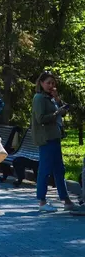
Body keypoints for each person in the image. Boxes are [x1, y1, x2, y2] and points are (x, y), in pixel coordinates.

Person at [31, 71, 79, 212]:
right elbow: (41, 118)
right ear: (41, 83)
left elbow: (66, 110)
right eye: (48, 83)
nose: (51, 86)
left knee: (59, 169)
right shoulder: (39, 98)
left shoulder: (51, 98)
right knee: (45, 170)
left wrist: (57, 99)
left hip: (55, 137)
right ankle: (42, 201)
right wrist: (56, 113)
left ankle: (66, 200)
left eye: (53, 83)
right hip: (46, 138)